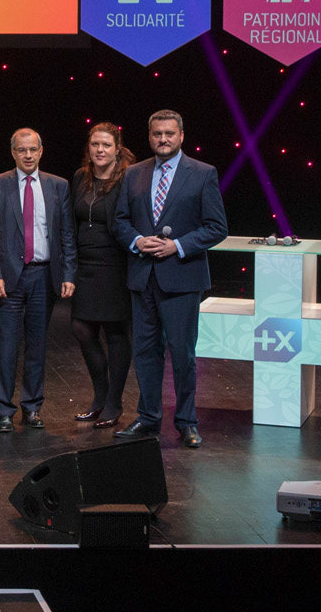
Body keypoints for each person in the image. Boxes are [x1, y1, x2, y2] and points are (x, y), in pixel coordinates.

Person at [113, 110, 228, 449]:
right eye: (157, 134)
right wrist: (137, 240)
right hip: (142, 277)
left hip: (181, 278)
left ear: (181, 136)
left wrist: (176, 246)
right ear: (149, 136)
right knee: (145, 352)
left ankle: (187, 422)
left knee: (182, 355)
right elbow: (120, 221)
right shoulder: (133, 173)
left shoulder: (203, 173)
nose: (163, 139)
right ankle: (148, 417)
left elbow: (217, 227)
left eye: (169, 133)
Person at [0, 129, 76, 433]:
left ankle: (32, 407)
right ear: (13, 152)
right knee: (6, 347)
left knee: (37, 346)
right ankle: (4, 410)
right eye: (21, 150)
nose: (27, 155)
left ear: (41, 151)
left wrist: (68, 273)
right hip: (8, 278)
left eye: (32, 149)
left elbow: (66, 233)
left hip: (43, 275)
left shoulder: (58, 185)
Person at [69, 123, 134, 429]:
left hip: (116, 265)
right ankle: (100, 396)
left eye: (106, 145)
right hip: (86, 265)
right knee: (82, 328)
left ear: (117, 149)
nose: (100, 150)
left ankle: (114, 402)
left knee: (116, 333)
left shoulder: (128, 179)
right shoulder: (81, 177)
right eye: (95, 144)